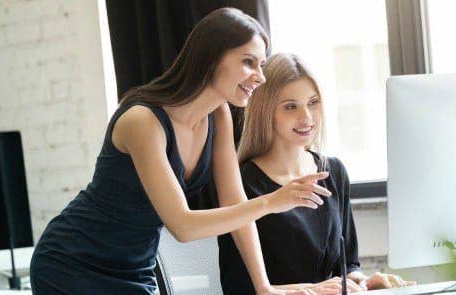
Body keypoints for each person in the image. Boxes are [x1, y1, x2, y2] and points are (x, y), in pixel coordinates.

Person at [29, 9, 332, 294]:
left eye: (261, 66)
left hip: (136, 266)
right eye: (249, 62)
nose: (260, 77)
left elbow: (234, 200)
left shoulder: (219, 116)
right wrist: (271, 202)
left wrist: (263, 287)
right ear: (212, 58)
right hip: (73, 261)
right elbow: (182, 226)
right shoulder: (142, 121)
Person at [217, 53, 414, 294]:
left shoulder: (334, 172)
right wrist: (314, 289)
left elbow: (348, 264)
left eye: (313, 103)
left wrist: (364, 282)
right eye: (291, 107)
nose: (306, 118)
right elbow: (238, 286)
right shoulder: (240, 183)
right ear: (266, 111)